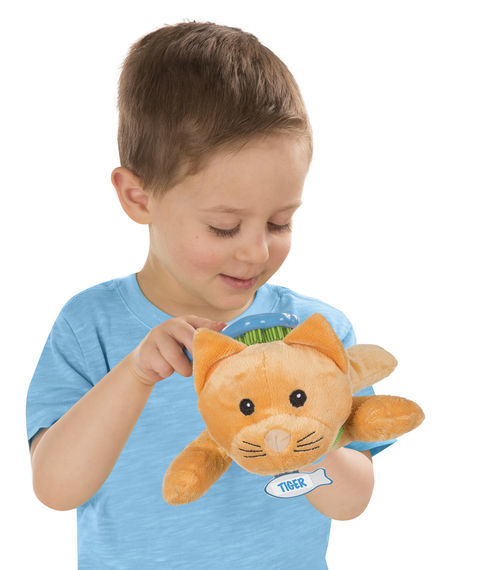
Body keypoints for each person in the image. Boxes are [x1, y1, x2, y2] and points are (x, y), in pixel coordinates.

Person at [26, 21, 395, 569]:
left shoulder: (316, 333)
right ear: (138, 197)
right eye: (224, 227)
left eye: (279, 222)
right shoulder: (91, 325)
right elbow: (56, 489)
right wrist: (135, 374)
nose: (256, 252)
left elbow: (351, 501)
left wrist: (303, 428)